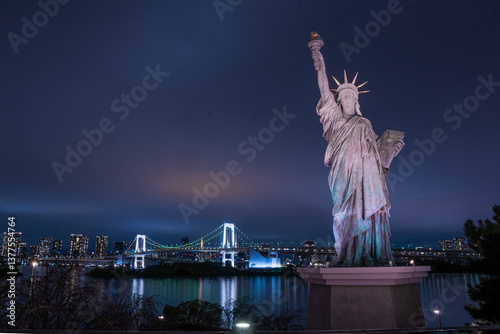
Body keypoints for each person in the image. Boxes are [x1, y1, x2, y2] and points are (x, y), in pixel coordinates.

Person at [311, 48, 404, 267]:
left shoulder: (365, 123)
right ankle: (346, 252)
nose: (347, 99)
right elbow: (324, 90)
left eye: (351, 96)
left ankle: (368, 252)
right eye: (343, 96)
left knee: (368, 210)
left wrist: (392, 150)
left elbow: (378, 154)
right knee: (344, 213)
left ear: (357, 100)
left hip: (366, 178)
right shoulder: (333, 121)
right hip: (343, 174)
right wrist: (319, 58)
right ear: (339, 101)